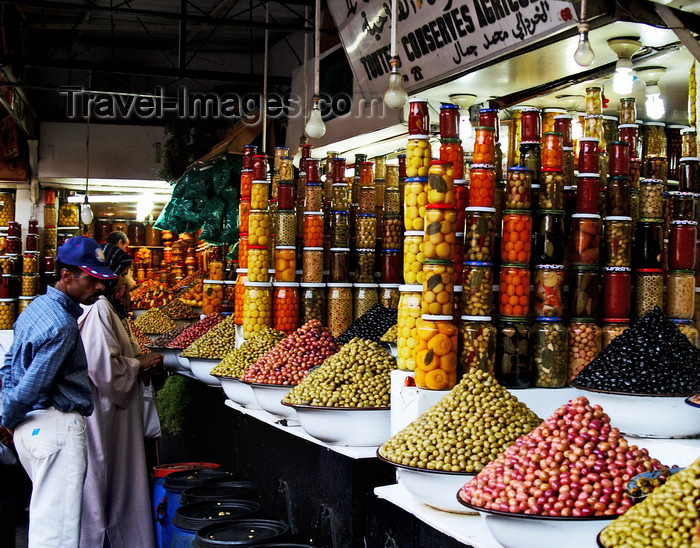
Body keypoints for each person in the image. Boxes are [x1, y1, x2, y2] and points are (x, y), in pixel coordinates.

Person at [0, 236, 116, 548]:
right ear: (67, 276)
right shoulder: (62, 325)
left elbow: (9, 365)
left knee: (45, 521)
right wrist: (6, 420)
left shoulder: (36, 307)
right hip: (55, 427)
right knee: (58, 534)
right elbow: (33, 384)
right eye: (92, 280)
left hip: (33, 428)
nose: (100, 288)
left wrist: (10, 417)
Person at [78, 243, 162, 548]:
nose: (129, 283)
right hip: (106, 413)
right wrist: (139, 363)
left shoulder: (102, 309)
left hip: (109, 411)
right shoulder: (99, 308)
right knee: (110, 484)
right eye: (124, 275)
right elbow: (104, 368)